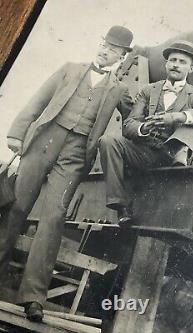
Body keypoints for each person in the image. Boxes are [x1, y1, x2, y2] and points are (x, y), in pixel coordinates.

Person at [0, 25, 133, 322]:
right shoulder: (70, 69)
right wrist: (16, 134)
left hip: (75, 155)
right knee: (17, 208)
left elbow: (134, 118)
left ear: (122, 57)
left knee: (54, 217)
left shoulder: (118, 90)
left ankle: (33, 298)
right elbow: (39, 99)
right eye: (103, 44)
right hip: (43, 142)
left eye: (112, 49)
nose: (105, 50)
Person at [99, 40, 193, 226]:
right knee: (107, 141)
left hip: (171, 154)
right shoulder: (148, 91)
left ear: (191, 69)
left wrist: (177, 117)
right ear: (166, 64)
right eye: (173, 60)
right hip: (144, 151)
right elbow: (129, 123)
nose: (176, 65)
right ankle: (120, 206)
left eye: (182, 62)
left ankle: (180, 161)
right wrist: (143, 128)